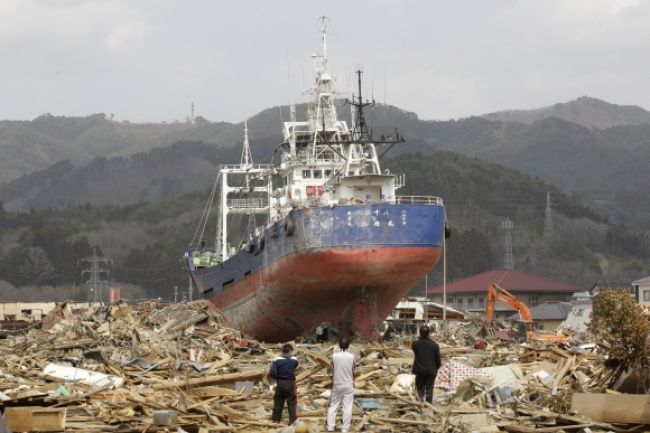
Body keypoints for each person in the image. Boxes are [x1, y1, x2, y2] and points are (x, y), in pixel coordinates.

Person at [327, 337, 355, 433]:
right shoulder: (352, 356)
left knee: (333, 405)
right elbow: (353, 369)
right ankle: (345, 429)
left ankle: (330, 427)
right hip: (348, 384)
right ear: (348, 345)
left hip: (337, 383)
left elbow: (331, 367)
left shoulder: (334, 356)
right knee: (347, 407)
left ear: (339, 345)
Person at [411, 325, 442, 403]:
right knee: (429, 389)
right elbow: (437, 358)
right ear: (429, 333)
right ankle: (428, 405)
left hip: (419, 370)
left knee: (420, 388)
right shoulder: (434, 345)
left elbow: (416, 351)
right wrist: (437, 367)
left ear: (420, 333)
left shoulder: (415, 344)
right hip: (431, 370)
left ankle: (419, 403)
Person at [270, 343, 299, 425]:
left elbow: (272, 372)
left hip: (280, 382)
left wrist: (278, 377)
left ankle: (276, 420)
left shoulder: (276, 359)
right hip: (290, 382)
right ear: (290, 351)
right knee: (291, 402)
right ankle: (292, 421)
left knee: (278, 401)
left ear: (282, 351)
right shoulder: (294, 359)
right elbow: (295, 366)